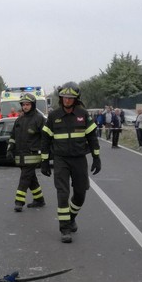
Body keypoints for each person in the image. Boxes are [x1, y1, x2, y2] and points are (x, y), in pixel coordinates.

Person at [40, 82, 101, 243]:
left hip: (79, 159)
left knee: (80, 193)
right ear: (61, 98)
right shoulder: (53, 116)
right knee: (63, 194)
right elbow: (45, 139)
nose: (67, 100)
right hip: (61, 160)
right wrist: (44, 161)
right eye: (64, 98)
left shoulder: (83, 114)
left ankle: (71, 217)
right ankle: (64, 228)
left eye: (70, 98)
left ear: (76, 99)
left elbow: (92, 137)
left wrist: (96, 157)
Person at [9, 93, 46, 211]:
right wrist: (10, 148)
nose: (25, 107)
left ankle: (19, 202)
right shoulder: (19, 120)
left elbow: (45, 137)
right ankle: (39, 199)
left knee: (25, 177)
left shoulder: (39, 119)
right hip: (20, 155)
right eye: (23, 105)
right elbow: (13, 136)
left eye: (27, 104)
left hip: (32, 155)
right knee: (31, 178)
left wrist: (46, 155)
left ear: (33, 105)